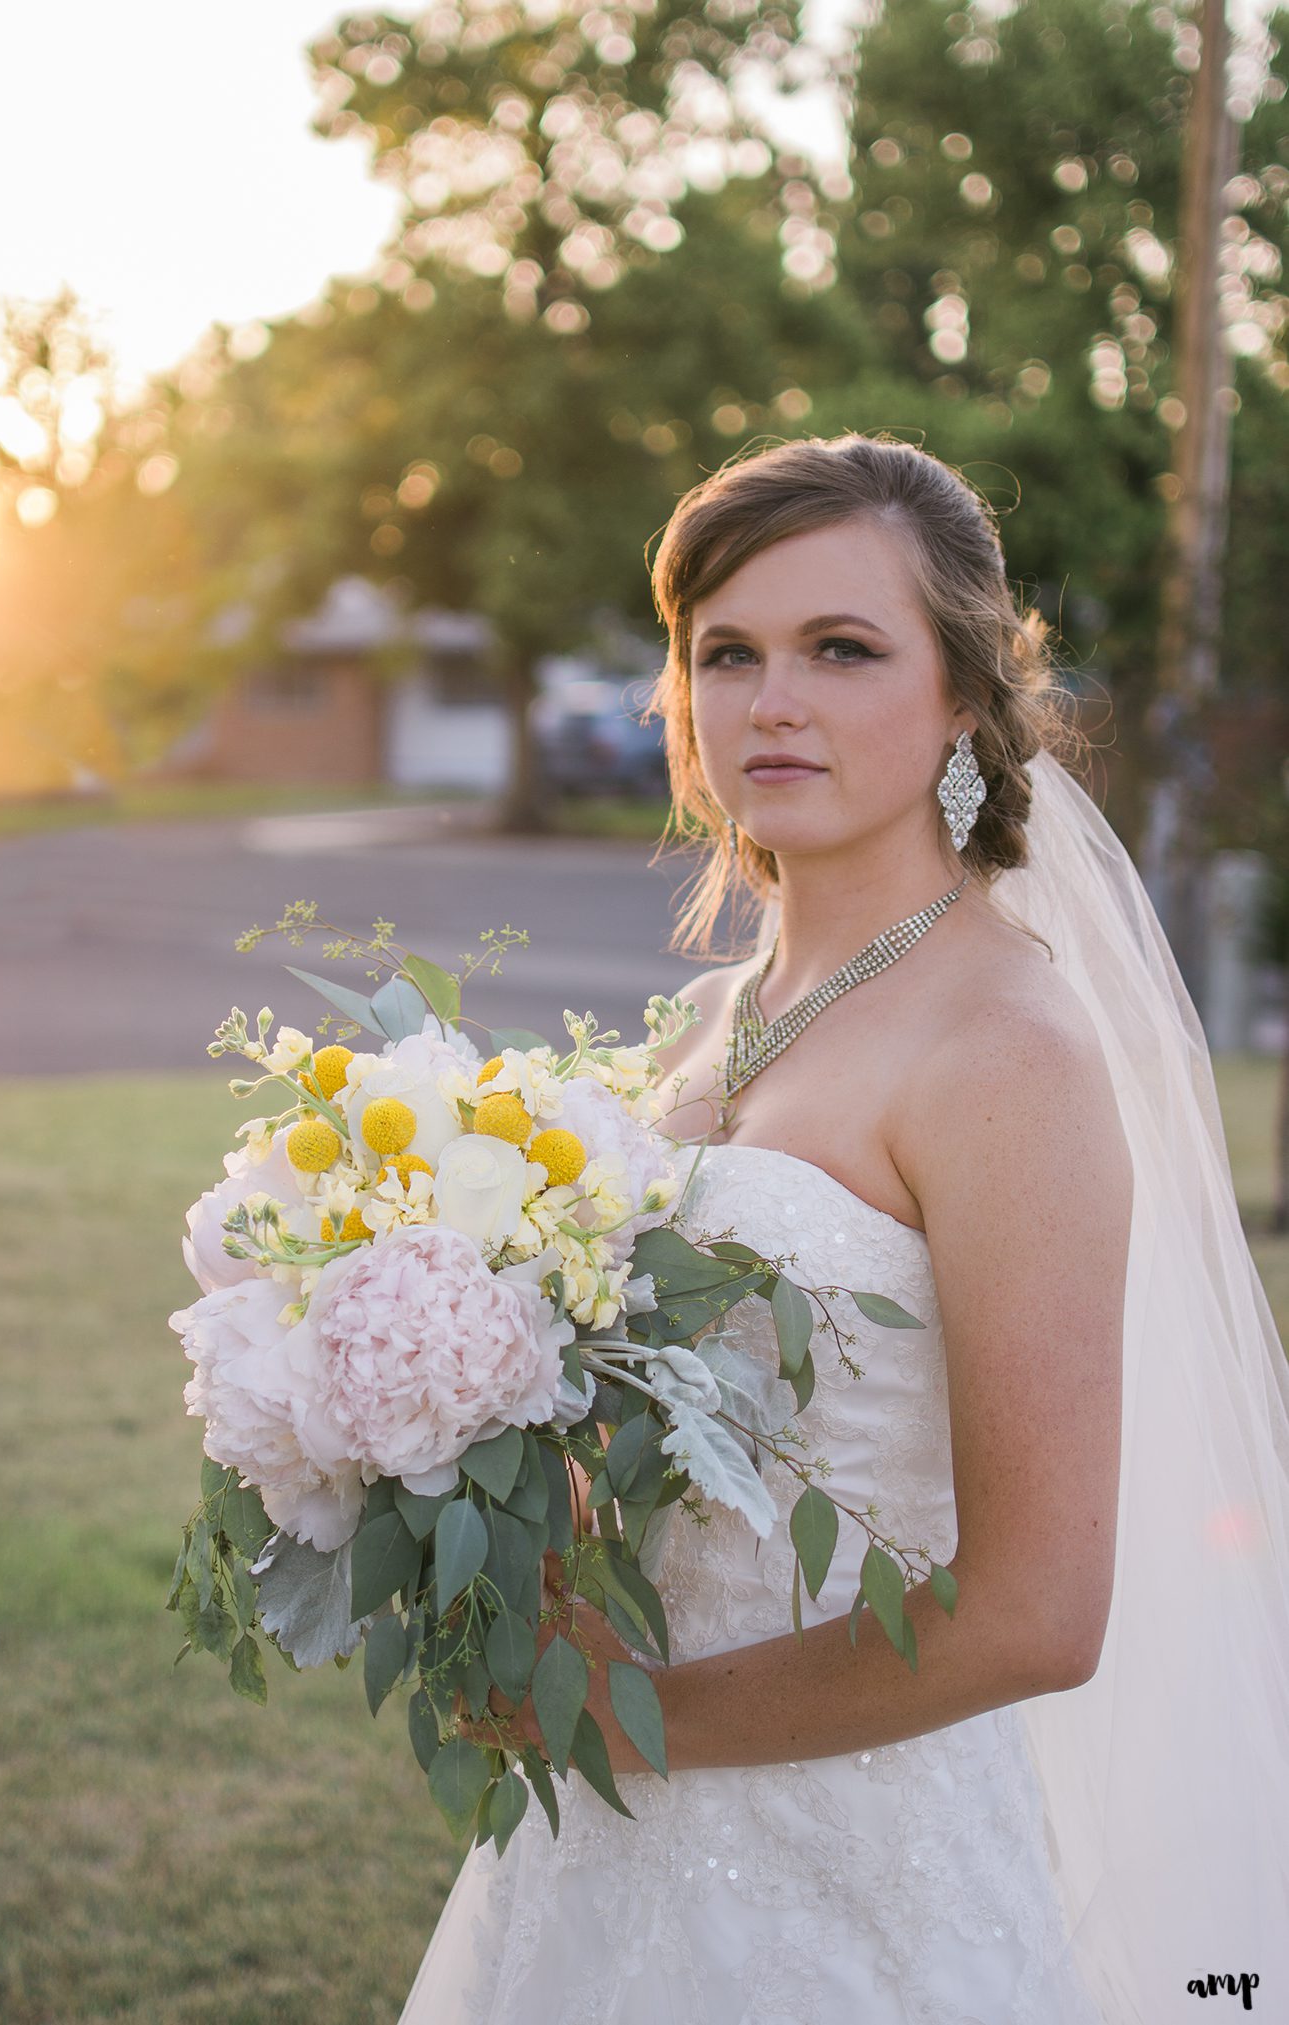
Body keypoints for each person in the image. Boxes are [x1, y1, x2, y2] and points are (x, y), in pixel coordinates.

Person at [397, 433, 1289, 2023]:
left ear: (960, 699)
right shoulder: (700, 1030)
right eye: (722, 653)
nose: (770, 700)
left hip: (854, 1873)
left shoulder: (1007, 1048)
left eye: (841, 649)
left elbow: (1034, 1611)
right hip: (603, 1838)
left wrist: (630, 1715)